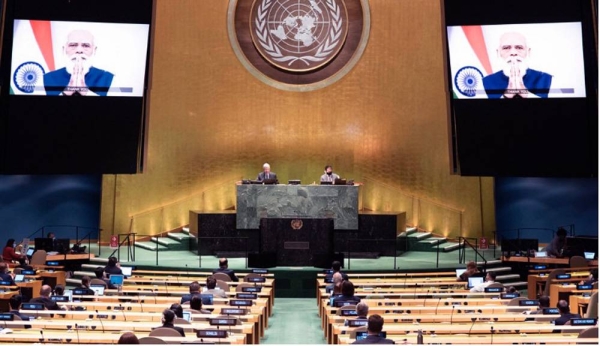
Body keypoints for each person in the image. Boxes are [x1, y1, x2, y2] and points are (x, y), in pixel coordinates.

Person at [43, 30, 114, 96]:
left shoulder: (109, 78)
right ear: (64, 49)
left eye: (86, 45)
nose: (79, 50)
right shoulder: (46, 79)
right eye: (73, 45)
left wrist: (86, 92)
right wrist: (66, 93)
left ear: (94, 50)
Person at [483, 32, 552, 99]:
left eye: (519, 47)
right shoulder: (485, 83)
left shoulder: (547, 79)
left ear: (528, 52)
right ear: (498, 53)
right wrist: (507, 95)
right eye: (506, 48)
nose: (513, 53)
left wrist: (526, 94)